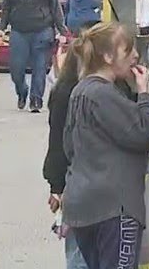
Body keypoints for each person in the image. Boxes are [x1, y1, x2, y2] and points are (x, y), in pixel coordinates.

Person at [62, 21, 149, 269]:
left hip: (83, 204)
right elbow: (142, 133)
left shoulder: (79, 91)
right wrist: (144, 94)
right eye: (128, 50)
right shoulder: (104, 94)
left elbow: (68, 146)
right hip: (115, 207)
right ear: (107, 56)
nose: (135, 55)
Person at [42, 41, 91, 269]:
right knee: (79, 253)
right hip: (76, 183)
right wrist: (57, 186)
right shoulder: (65, 94)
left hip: (84, 183)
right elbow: (57, 144)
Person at [0, 0, 65, 112]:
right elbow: (6, 7)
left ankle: (36, 100)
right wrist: (1, 28)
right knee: (16, 68)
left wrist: (62, 31)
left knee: (39, 67)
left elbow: (56, 8)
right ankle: (22, 91)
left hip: (42, 31)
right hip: (19, 31)